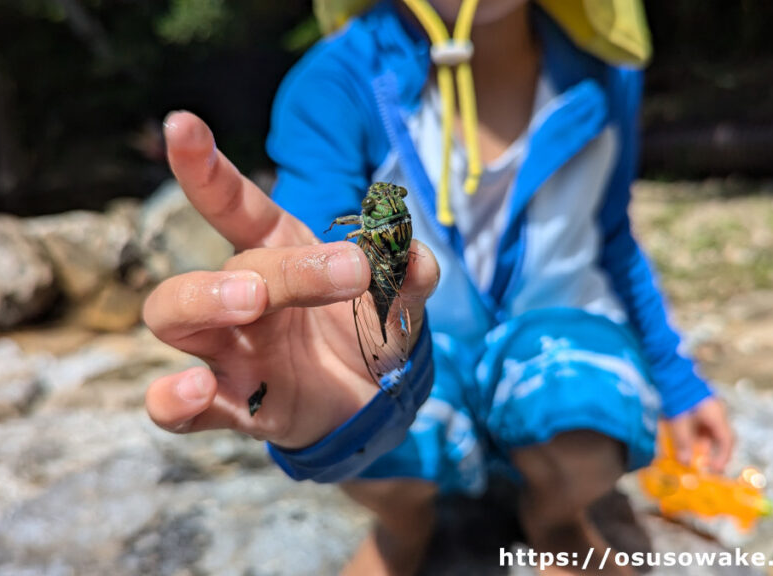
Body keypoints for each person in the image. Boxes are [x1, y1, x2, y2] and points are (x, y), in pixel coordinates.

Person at [143, 1, 734, 574]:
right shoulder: (334, 83)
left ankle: (558, 518)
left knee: (586, 407)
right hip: (421, 354)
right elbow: (306, 240)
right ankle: (405, 525)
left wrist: (677, 382)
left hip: (555, 338)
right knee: (354, 382)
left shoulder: (607, 71)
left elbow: (611, 235)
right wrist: (304, 346)